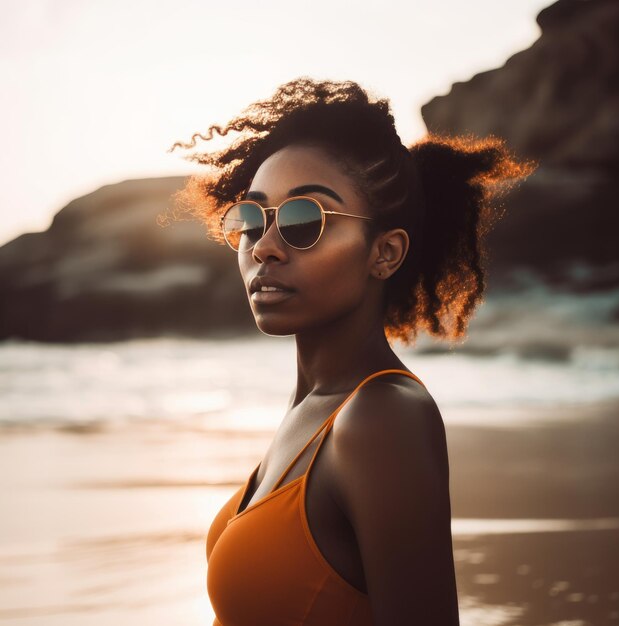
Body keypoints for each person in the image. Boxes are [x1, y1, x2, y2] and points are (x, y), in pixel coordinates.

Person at [168, 77, 535, 626]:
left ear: (383, 253)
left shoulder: (382, 416)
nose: (264, 246)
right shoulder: (314, 409)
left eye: (303, 221)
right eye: (251, 218)